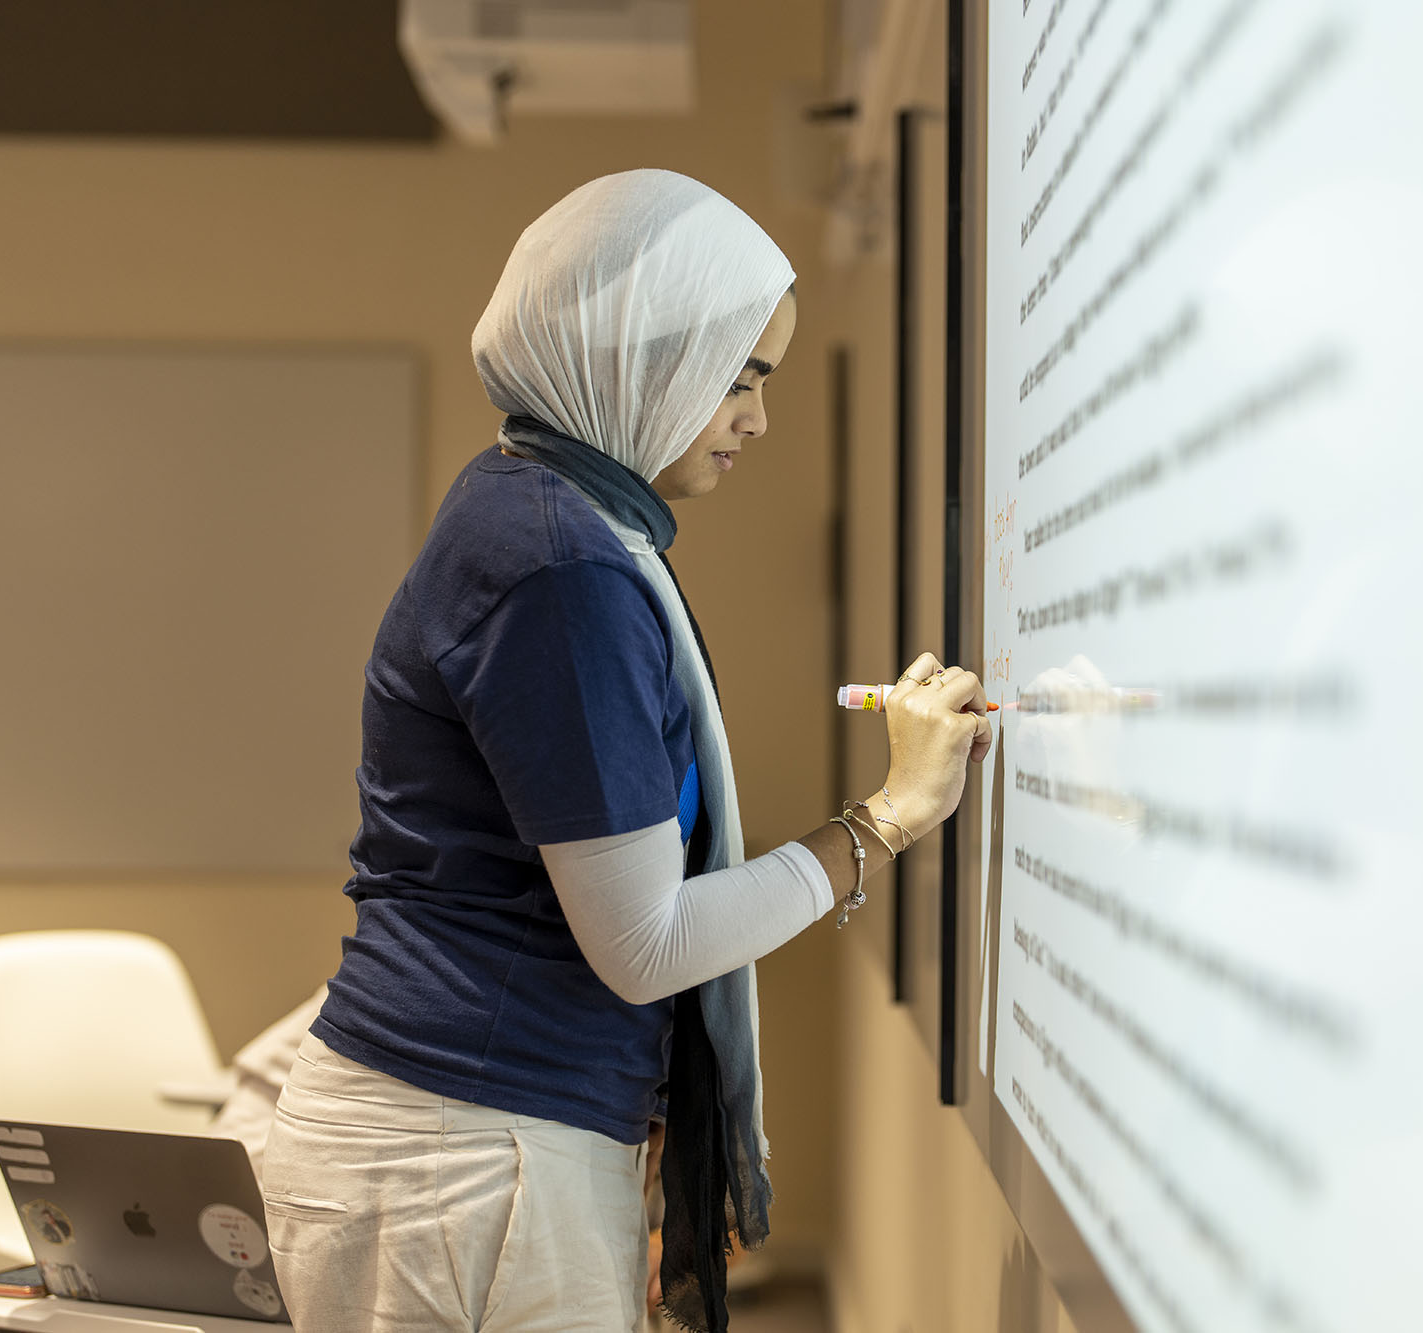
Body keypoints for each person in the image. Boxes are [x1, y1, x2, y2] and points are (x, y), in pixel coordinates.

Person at [259, 169, 990, 1333]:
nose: (755, 419)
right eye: (738, 381)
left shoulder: (544, 516)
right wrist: (887, 818)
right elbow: (647, 944)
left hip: (464, 1142)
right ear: (637, 361)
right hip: (464, 1153)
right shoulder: (560, 565)